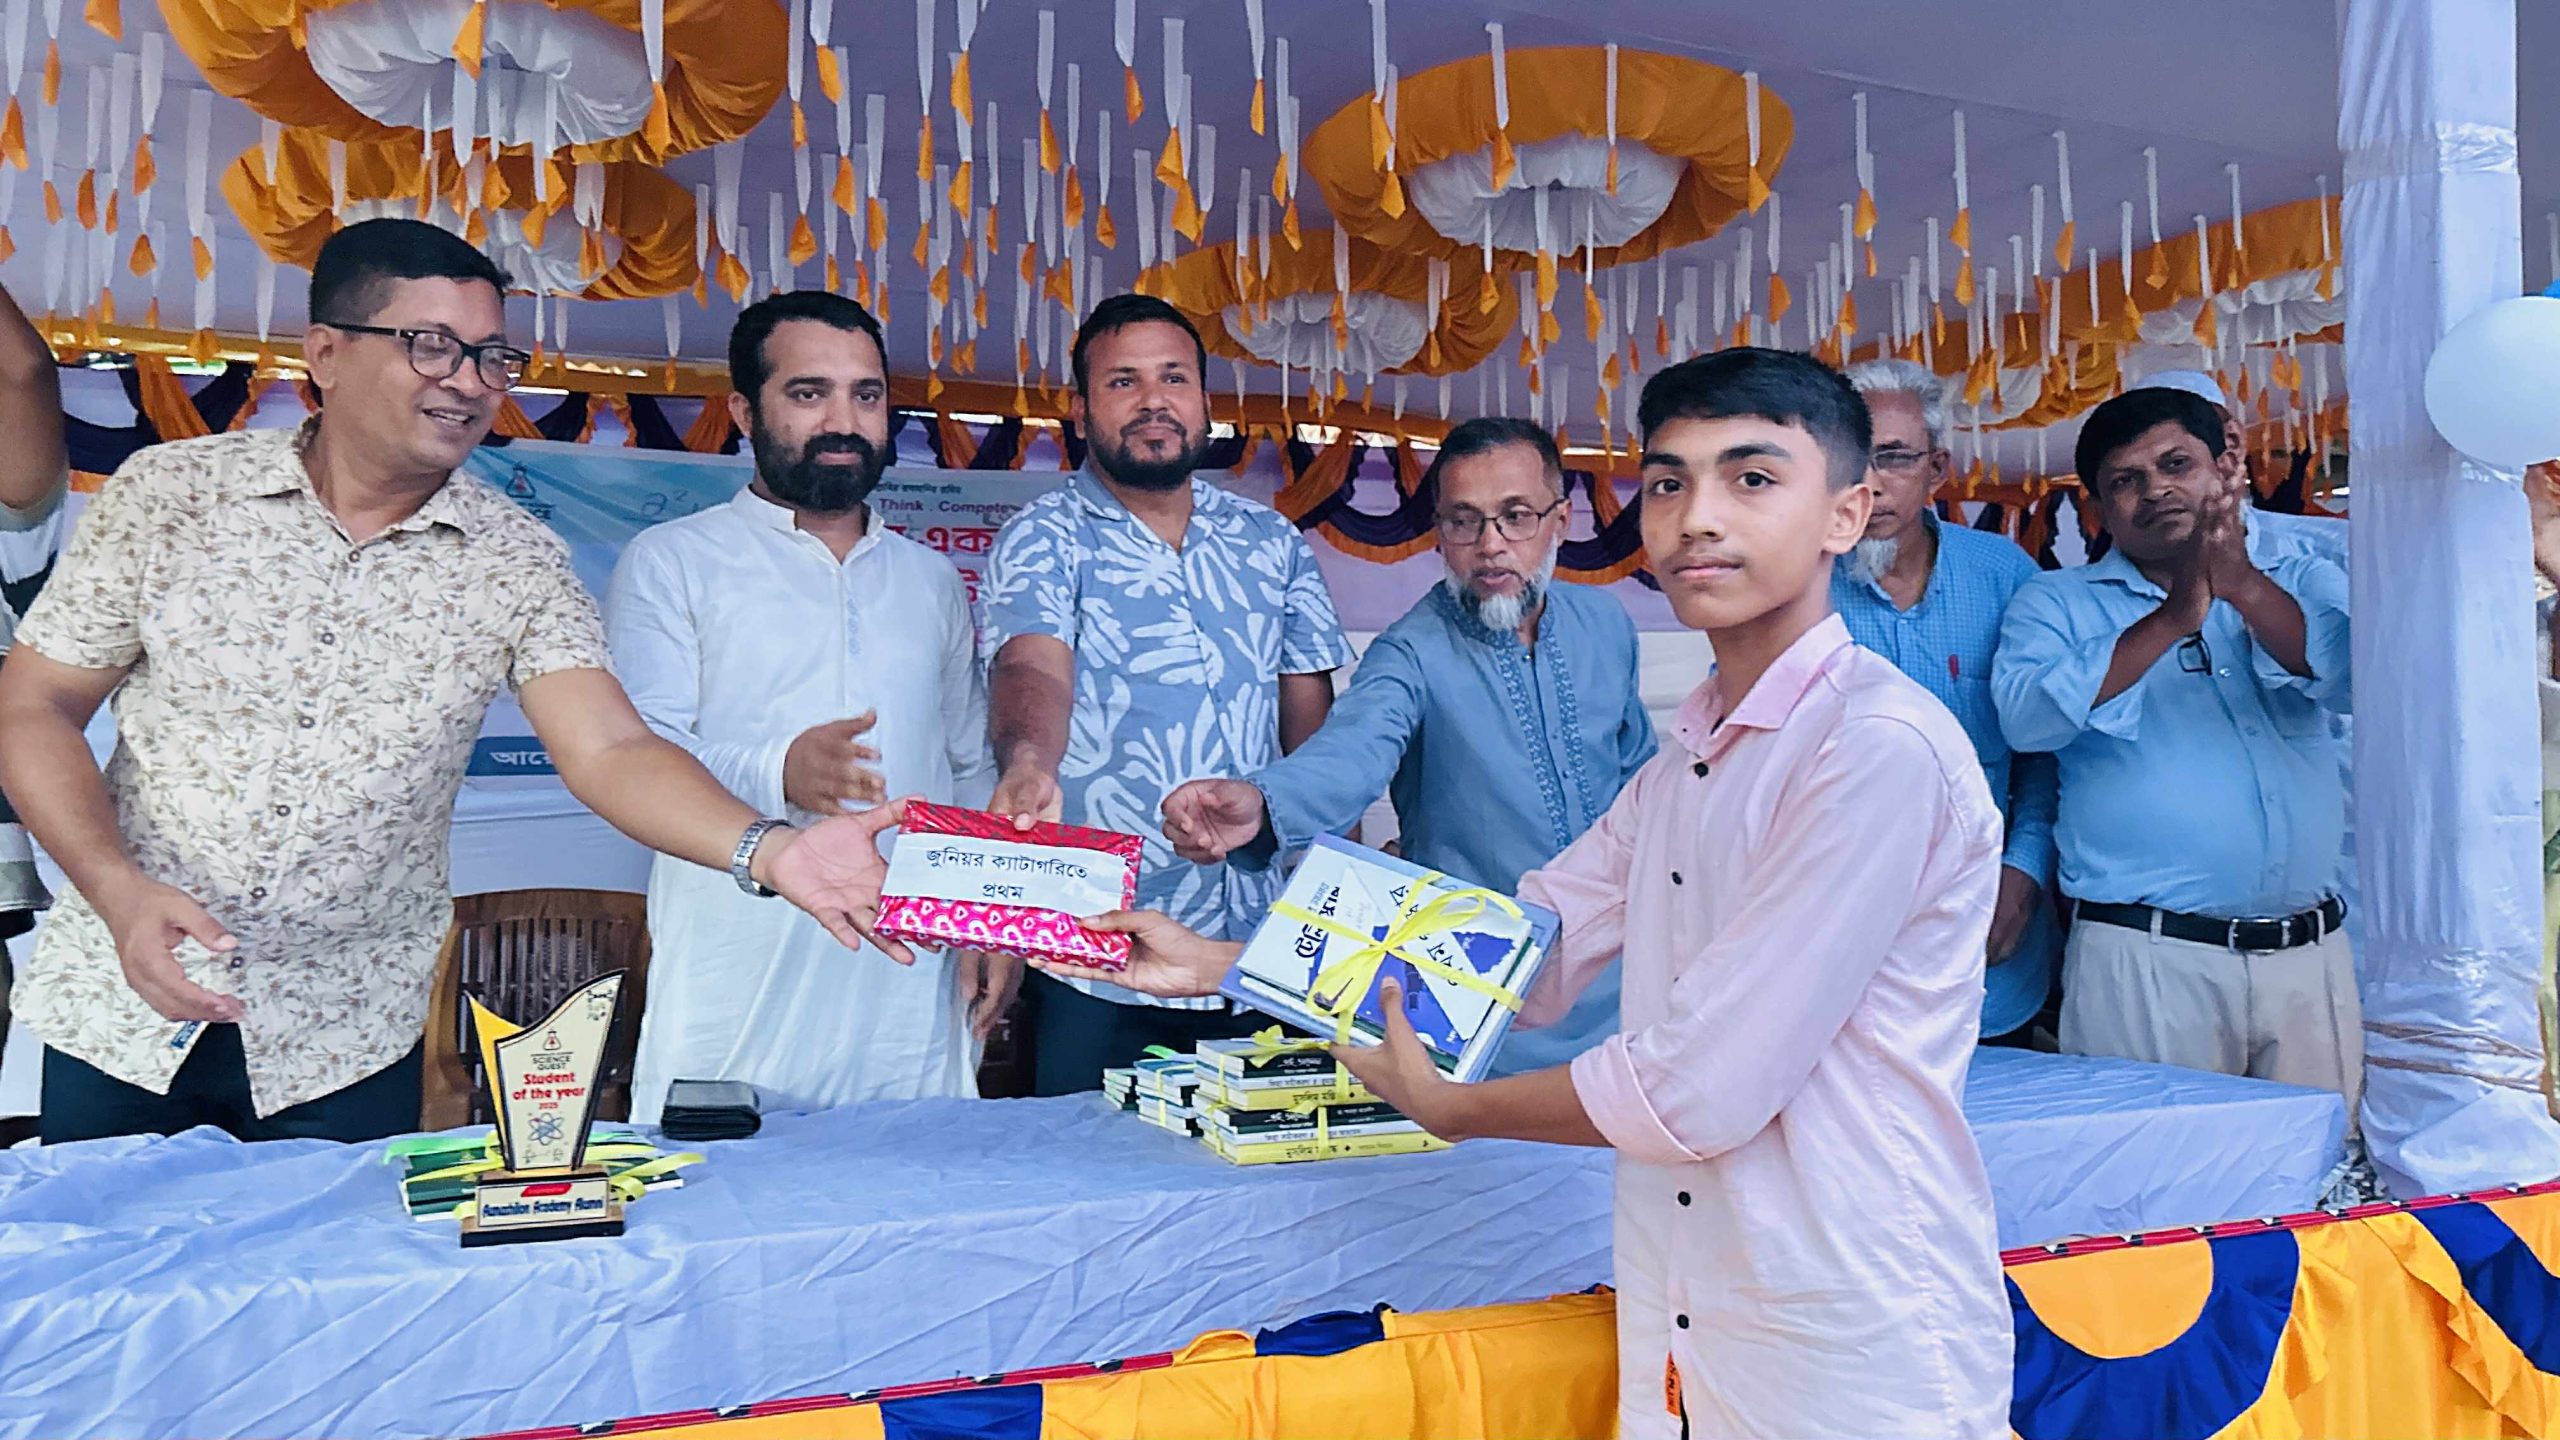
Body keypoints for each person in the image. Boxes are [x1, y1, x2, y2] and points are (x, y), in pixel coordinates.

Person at [984, 349, 2013, 1437]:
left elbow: (1697, 1089)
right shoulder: (1687, 761)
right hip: (1695, 1306)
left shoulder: (1872, 749)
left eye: (1752, 478)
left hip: (1851, 1320)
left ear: (1847, 513)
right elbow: (1515, 946)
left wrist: (1457, 1110)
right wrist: (1216, 962)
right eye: (1669, 483)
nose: (1699, 517)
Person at [0, 219, 898, 1146]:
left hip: (344, 1034)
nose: (468, 381)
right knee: (107, 1244)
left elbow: (611, 748)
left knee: (340, 1247)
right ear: (326, 354)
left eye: (491, 357)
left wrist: (773, 852)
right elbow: (34, 705)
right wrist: (115, 888)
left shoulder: (517, 560)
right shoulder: (170, 496)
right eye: (431, 345)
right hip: (122, 1003)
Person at [607, 290, 1007, 1123]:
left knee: (917, 1186)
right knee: (722, 1191)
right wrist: (777, 769)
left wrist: (988, 919)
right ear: (742, 412)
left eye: (866, 395)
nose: (843, 421)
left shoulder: (930, 579)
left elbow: (969, 766)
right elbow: (635, 752)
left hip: (907, 984)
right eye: (808, 393)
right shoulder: (673, 561)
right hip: (737, 982)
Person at [1159, 416, 1653, 1073]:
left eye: (1516, 517)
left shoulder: (1606, 625)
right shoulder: (1410, 651)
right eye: (1464, 521)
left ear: (1559, 521)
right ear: (1439, 533)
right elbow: (1350, 754)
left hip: (1621, 990)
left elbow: (1646, 787)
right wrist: (1261, 803)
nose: (1490, 545)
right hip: (1474, 997)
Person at [978, 293, 1349, 1095]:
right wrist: (1029, 761)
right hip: (1099, 957)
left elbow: (1315, 732)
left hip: (1261, 949)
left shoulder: (1271, 541)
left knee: (1268, 1164)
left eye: (1173, 378)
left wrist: (1336, 895)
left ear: (1204, 399)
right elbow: (1031, 668)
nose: (1154, 400)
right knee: (1093, 1165)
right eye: (1124, 381)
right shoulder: (1044, 536)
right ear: (1081, 409)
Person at [1994, 387, 2359, 1106]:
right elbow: (2027, 721)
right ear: (2100, 510)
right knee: (2157, 1172)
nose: (2156, 490)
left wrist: (2242, 587)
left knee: (2319, 1171)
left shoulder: (2300, 576)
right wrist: (2170, 619)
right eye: (2125, 481)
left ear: (2224, 467)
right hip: (2148, 962)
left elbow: (2351, 678)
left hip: (2310, 960)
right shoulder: (2056, 602)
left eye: (2175, 464)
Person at [1836, 358, 2060, 1045]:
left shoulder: (2005, 575)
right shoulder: (1793, 586)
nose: (1870, 482)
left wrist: (2024, 872)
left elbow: (2046, 753)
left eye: (1893, 457)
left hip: (1991, 939)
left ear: (1936, 469)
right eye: (1848, 458)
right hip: (1841, 944)